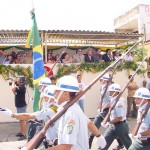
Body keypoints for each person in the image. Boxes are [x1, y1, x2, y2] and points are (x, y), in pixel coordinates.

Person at [46, 75, 106, 150]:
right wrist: (99, 135)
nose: (54, 93)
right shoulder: (69, 108)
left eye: (57, 91)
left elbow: (66, 147)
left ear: (66, 94)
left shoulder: (71, 113)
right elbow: (89, 123)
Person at [89, 74, 124, 150]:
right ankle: (121, 143)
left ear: (107, 80)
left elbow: (110, 102)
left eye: (102, 79)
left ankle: (88, 144)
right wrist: (99, 107)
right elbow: (102, 99)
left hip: (107, 110)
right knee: (110, 128)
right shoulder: (102, 87)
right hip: (103, 110)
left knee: (95, 125)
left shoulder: (109, 89)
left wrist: (103, 109)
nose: (100, 80)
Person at [101, 83, 132, 150]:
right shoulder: (114, 100)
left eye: (111, 91)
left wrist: (109, 122)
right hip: (113, 125)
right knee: (103, 144)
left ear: (115, 92)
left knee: (129, 146)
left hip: (121, 126)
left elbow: (119, 117)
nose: (109, 92)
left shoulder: (119, 103)